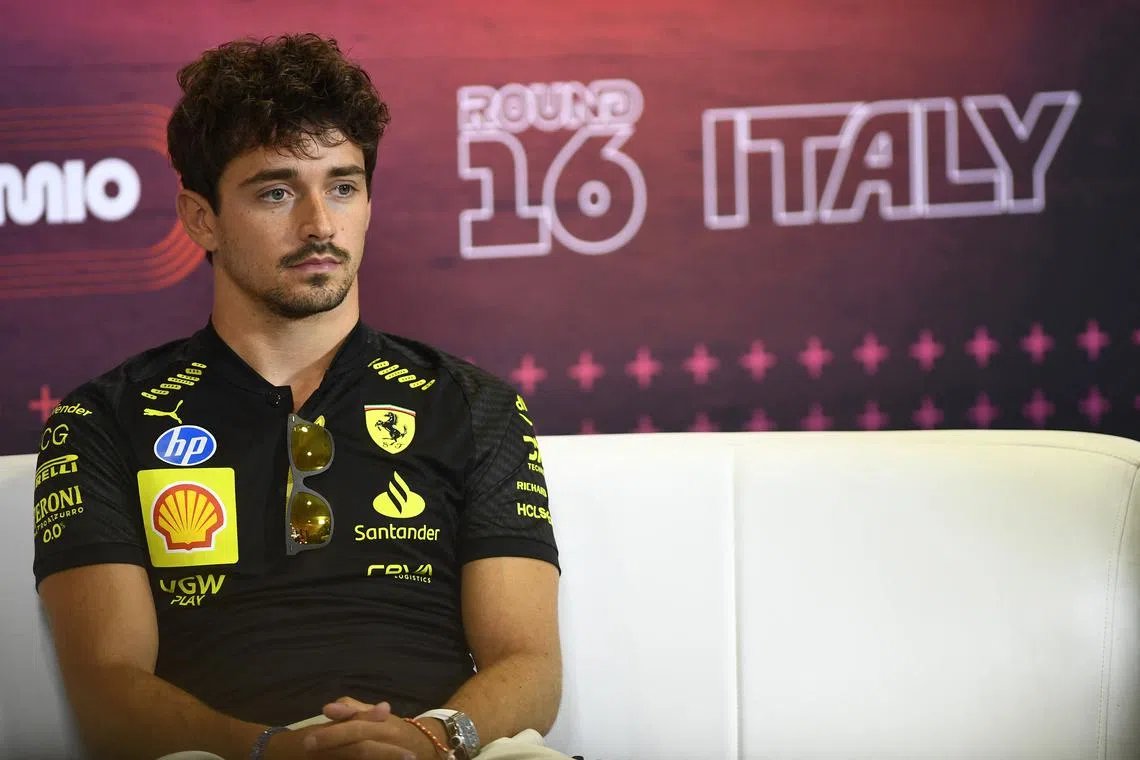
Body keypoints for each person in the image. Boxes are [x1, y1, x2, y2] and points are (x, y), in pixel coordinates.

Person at [32, 33, 569, 760]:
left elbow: (528, 664)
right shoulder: (103, 421)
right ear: (201, 218)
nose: (319, 223)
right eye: (277, 191)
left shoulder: (474, 405)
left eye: (343, 186)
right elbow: (108, 690)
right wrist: (274, 751)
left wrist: (431, 737)